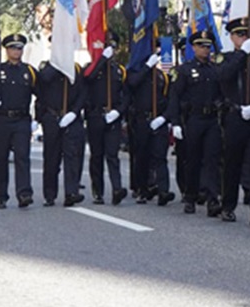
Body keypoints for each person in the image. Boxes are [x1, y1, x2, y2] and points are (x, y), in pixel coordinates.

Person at [167, 29, 224, 216]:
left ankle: (212, 198)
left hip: (212, 119)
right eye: (201, 46)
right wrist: (175, 122)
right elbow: (174, 97)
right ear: (194, 47)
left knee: (212, 160)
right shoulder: (184, 70)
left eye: (208, 46)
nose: (205, 49)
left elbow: (221, 94)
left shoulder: (215, 70)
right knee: (192, 160)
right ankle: (190, 196)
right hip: (193, 119)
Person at [0, 33, 38, 209]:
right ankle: (0, 195)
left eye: (19, 48)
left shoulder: (29, 71)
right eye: (13, 48)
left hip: (21, 120)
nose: (16, 51)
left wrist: (38, 117)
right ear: (6, 50)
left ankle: (24, 193)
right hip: (1, 120)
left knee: (22, 157)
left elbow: (41, 94)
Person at [217, 17, 250, 224]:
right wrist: (242, 53)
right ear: (232, 37)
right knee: (232, 164)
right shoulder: (226, 58)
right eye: (239, 34)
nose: (244, 37)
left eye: (246, 34)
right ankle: (228, 206)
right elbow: (224, 76)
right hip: (233, 117)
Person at [83, 31, 128, 206]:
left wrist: (118, 111)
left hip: (113, 117)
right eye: (108, 46)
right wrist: (102, 60)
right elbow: (88, 78)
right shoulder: (92, 66)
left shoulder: (119, 71)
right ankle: (98, 191)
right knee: (97, 156)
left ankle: (117, 188)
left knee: (112, 154)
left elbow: (126, 95)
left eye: (114, 47)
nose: (112, 50)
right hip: (95, 116)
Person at [35, 56, 87, 207]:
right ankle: (49, 195)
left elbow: (83, 92)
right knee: (52, 157)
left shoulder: (76, 68)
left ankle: (71, 192)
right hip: (52, 116)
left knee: (72, 156)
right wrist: (58, 65)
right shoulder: (47, 68)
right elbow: (42, 83)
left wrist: (74, 112)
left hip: (71, 117)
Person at [126, 47, 174, 206]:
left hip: (158, 121)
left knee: (160, 156)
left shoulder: (162, 77)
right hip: (142, 120)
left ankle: (163, 190)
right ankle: (142, 189)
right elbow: (132, 83)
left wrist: (163, 118)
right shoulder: (136, 74)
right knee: (142, 156)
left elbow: (169, 100)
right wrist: (146, 67)